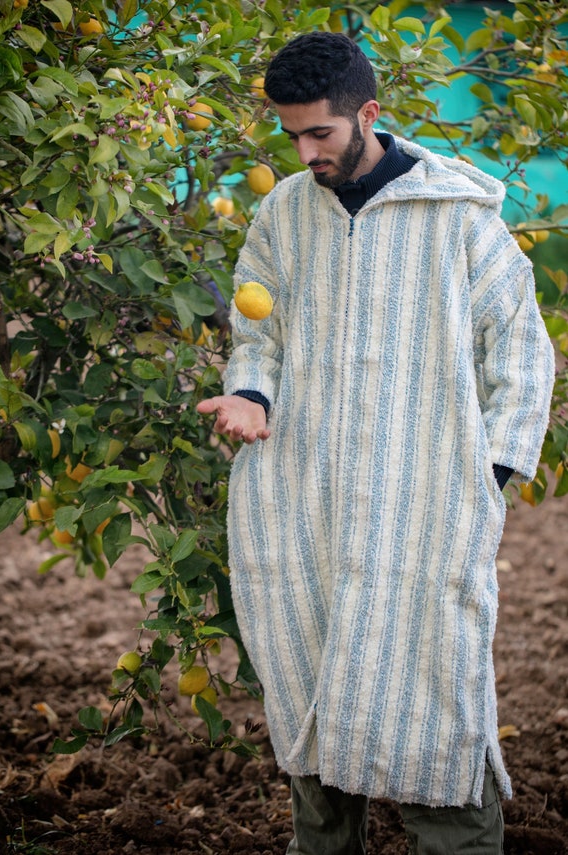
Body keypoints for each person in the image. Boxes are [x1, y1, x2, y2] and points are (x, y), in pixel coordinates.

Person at [196, 31, 555, 854]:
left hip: (425, 506)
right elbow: (259, 332)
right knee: (309, 671)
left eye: (319, 132)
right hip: (301, 499)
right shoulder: (281, 212)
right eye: (290, 134)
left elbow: (522, 355)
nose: (304, 151)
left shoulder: (459, 219)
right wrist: (252, 390)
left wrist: (482, 477)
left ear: (368, 114)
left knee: (435, 690)